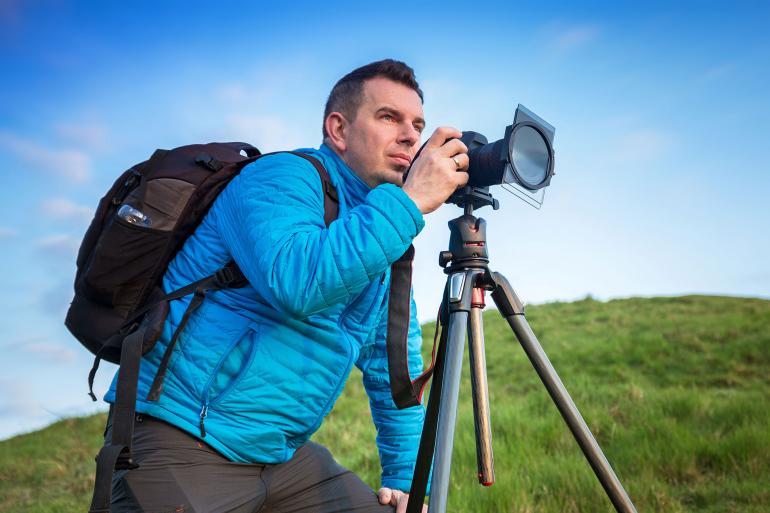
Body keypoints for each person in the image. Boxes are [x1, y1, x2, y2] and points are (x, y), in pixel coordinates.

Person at [103, 58, 469, 513]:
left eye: (417, 124)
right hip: (179, 436)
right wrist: (410, 201)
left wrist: (405, 477)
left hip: (280, 456)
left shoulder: (384, 237)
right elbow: (298, 282)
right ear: (338, 129)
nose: (411, 136)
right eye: (388, 117)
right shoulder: (280, 178)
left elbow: (394, 373)